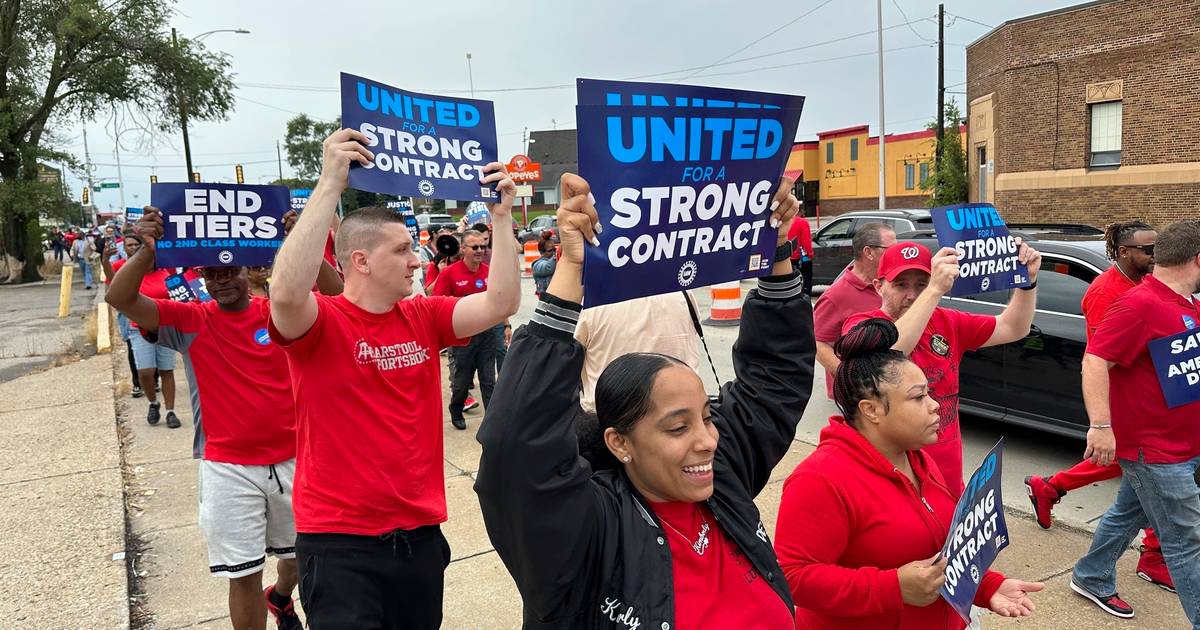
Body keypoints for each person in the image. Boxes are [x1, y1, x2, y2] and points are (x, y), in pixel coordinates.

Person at [476, 173, 813, 629]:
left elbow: (774, 381)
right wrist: (572, 269)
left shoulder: (721, 476)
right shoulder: (586, 532)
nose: (708, 441)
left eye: (708, 419)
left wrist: (773, 247)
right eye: (678, 428)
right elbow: (515, 448)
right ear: (620, 443)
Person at [267, 128, 519, 629]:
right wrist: (330, 184)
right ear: (360, 261)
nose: (418, 260)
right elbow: (286, 293)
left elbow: (501, 303)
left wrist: (502, 215)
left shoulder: (423, 317)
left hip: (419, 535)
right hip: (340, 541)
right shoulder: (322, 323)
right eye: (403, 250)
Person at [106, 207, 342, 630]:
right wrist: (146, 252)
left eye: (229, 272)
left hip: (296, 459)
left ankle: (282, 599)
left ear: (247, 271)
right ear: (202, 278)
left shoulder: (280, 311)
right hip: (227, 467)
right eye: (212, 274)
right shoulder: (190, 320)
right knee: (242, 574)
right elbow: (119, 299)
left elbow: (339, 298)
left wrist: (306, 239)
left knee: (298, 560)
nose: (222, 280)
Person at [775, 318, 1043, 628]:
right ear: (871, 410)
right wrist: (893, 588)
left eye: (929, 394)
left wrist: (986, 586)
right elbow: (793, 576)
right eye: (918, 397)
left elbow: (941, 550)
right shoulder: (820, 479)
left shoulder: (917, 458)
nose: (934, 406)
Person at [1023, 221, 1171, 589]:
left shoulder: (1143, 283)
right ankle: (1149, 555)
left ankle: (1051, 487)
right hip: (1121, 396)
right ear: (1123, 253)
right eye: (1148, 250)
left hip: (1149, 394)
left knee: (1140, 467)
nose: (1156, 256)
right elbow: (1107, 356)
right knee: (1143, 466)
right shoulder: (1106, 292)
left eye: (1157, 248)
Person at [1071, 220, 1200, 624]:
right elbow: (1095, 360)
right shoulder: (1137, 304)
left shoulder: (1188, 302)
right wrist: (1102, 425)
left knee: (1129, 512)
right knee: (1187, 541)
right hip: (1157, 452)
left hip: (1184, 445)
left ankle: (1091, 575)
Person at [843, 241, 1041, 496]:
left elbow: (1013, 328)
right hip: (889, 478)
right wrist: (934, 290)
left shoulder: (948, 321)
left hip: (946, 478)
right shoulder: (861, 326)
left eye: (921, 284)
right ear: (878, 286)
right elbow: (889, 354)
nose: (912, 295)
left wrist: (1027, 282)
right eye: (901, 285)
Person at [575, 291, 702, 414]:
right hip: (680, 411)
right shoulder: (681, 291)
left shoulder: (591, 301)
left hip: (613, 415)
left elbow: (568, 355)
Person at [813, 222, 896, 398]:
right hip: (859, 396)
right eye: (891, 249)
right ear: (868, 252)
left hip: (893, 386)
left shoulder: (892, 285)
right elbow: (819, 344)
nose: (895, 254)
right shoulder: (836, 296)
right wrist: (850, 377)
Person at [106, 235, 181, 427]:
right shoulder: (130, 274)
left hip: (166, 327)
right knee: (146, 371)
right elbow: (114, 288)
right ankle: (153, 403)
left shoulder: (166, 272)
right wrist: (105, 261)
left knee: (166, 370)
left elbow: (180, 291)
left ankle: (171, 411)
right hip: (137, 327)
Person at [431, 229, 500, 429]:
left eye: (483, 247)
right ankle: (456, 408)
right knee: (461, 382)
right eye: (475, 247)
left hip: (487, 334)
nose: (480, 250)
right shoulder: (449, 274)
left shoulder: (489, 271)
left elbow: (498, 301)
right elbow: (437, 304)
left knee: (488, 380)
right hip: (461, 337)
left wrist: (505, 325)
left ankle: (492, 421)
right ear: (463, 249)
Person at [101, 234, 143, 398]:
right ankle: (137, 382)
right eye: (129, 245)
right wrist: (105, 260)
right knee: (133, 347)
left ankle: (153, 379)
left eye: (135, 245)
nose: (133, 248)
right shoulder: (119, 265)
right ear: (123, 248)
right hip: (128, 314)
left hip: (148, 311)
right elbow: (112, 280)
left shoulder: (150, 264)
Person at [787, 207, 813, 296]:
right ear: (800, 211)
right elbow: (806, 241)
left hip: (787, 257)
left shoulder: (785, 221)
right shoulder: (803, 222)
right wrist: (810, 254)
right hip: (801, 257)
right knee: (806, 278)